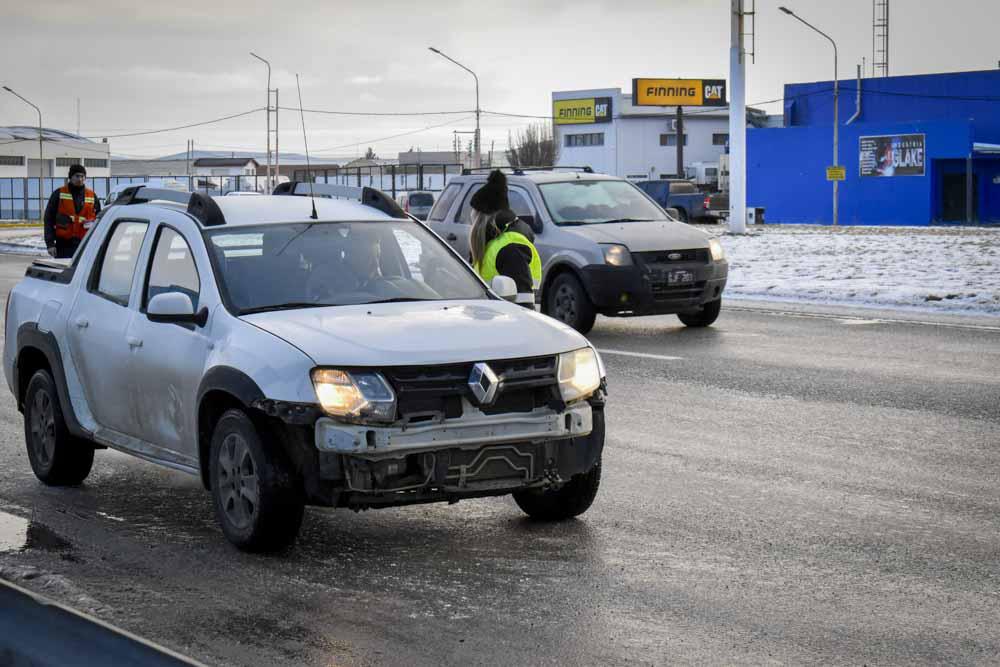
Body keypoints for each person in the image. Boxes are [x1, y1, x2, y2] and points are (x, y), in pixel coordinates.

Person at [469, 170, 541, 308]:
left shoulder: (510, 248)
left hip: (505, 322)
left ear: (481, 219)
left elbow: (524, 303)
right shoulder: (491, 243)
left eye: (474, 216)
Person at [44, 164, 100, 259]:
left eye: (82, 176)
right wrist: (50, 244)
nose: (80, 179)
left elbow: (99, 220)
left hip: (85, 244)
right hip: (64, 245)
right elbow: (48, 219)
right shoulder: (59, 194)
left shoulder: (91, 195)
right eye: (77, 176)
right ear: (70, 177)